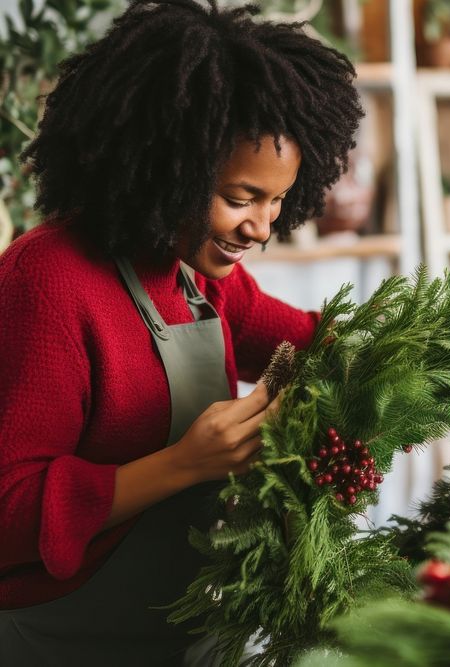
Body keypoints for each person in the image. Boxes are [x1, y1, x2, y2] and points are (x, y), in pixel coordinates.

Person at [0, 0, 363, 662]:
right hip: (70, 635)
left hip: (187, 623)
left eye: (277, 200)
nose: (262, 227)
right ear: (169, 163)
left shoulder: (203, 274)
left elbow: (306, 341)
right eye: (241, 197)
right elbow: (9, 511)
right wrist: (182, 464)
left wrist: (418, 347)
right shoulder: (48, 279)